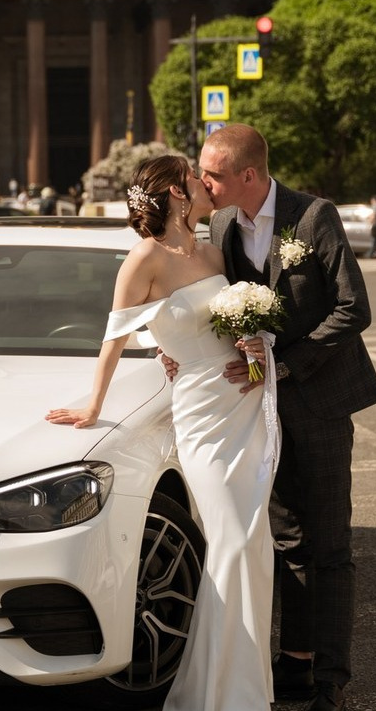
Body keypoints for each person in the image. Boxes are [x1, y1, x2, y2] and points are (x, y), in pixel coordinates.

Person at [47, 154, 277, 710]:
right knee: (232, 537)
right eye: (199, 179)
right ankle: (219, 693)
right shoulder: (144, 259)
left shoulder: (214, 250)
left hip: (244, 403)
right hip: (200, 411)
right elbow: (116, 337)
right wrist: (95, 402)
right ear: (179, 191)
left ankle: (244, 686)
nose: (207, 185)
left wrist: (254, 349)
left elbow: (231, 323)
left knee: (255, 541)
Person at [188, 124, 376, 711]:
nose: (205, 183)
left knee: (328, 544)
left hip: (320, 401)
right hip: (255, 407)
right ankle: (294, 662)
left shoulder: (314, 216)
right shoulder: (221, 227)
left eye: (214, 174)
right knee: (283, 539)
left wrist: (287, 364)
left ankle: (331, 679)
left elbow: (354, 307)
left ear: (248, 175)